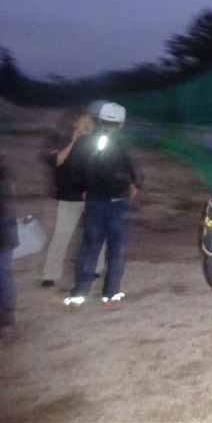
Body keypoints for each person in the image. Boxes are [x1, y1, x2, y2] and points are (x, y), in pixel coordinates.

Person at [64, 102, 143, 307]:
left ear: (99, 120)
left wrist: (83, 187)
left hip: (94, 202)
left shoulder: (84, 142)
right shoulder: (124, 145)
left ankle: (78, 294)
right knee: (117, 250)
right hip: (119, 203)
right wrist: (135, 185)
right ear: (121, 123)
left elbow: (73, 170)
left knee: (89, 247)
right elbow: (137, 172)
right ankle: (110, 294)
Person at [41, 108, 106, 288]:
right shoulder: (58, 139)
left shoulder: (95, 141)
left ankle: (96, 269)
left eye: (89, 122)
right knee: (61, 235)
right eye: (83, 121)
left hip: (92, 196)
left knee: (96, 235)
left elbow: (102, 166)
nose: (87, 125)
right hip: (69, 196)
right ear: (73, 123)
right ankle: (50, 274)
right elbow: (57, 160)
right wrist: (75, 141)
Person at [0, 153, 19, 335]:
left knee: (3, 276)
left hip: (3, 234)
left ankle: (6, 321)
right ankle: (7, 320)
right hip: (6, 232)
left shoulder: (4, 178)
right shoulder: (6, 175)